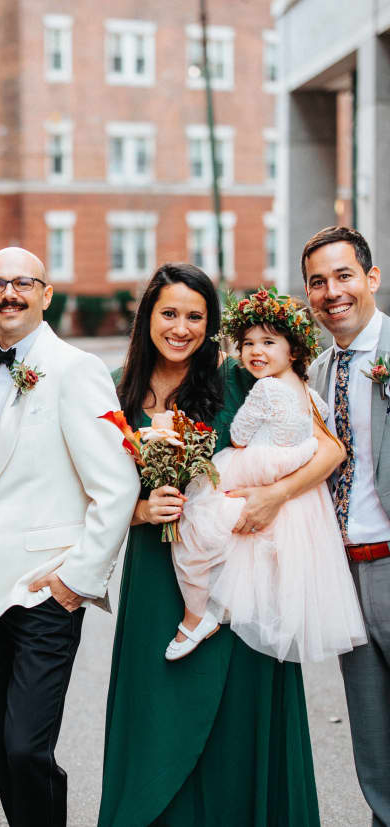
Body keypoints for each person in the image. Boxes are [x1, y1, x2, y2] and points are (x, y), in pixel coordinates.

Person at [98, 262, 343, 826]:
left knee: (238, 720)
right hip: (158, 577)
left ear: (210, 325)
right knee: (157, 716)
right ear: (147, 318)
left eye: (195, 316)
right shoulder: (116, 389)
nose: (181, 327)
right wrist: (138, 510)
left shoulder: (241, 377)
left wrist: (273, 496)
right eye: (169, 314)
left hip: (241, 572)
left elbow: (328, 449)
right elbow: (85, 489)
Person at [0, 247, 140, 827]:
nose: (8, 293)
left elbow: (116, 485)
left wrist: (77, 579)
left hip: (46, 590)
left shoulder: (76, 369)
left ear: (46, 293)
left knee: (26, 748)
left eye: (22, 283)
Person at [167, 288, 364, 662]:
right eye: (248, 343)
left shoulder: (268, 388)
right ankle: (224, 605)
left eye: (268, 342)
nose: (256, 351)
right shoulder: (305, 389)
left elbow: (240, 436)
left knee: (195, 520)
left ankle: (197, 614)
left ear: (292, 351)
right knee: (257, 548)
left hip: (259, 464)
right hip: (297, 472)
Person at [304, 226, 390, 825]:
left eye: (343, 276)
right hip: (344, 573)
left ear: (371, 279)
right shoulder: (313, 374)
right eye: (317, 281)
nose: (331, 291)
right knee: (373, 736)